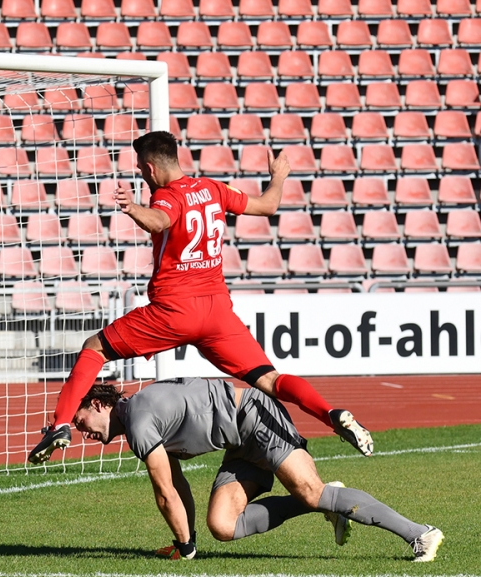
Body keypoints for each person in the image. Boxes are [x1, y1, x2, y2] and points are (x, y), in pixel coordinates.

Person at [29, 131, 374, 465]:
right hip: (217, 313)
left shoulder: (166, 196)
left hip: (174, 311)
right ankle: (330, 413)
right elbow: (268, 206)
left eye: (141, 170)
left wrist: (132, 208)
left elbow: (159, 220)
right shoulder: (214, 189)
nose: (142, 176)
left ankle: (60, 424)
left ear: (149, 168)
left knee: (95, 348)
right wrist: (279, 176)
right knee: (269, 379)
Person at [70, 380, 445, 562]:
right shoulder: (138, 419)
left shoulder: (138, 422)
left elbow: (165, 493)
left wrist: (185, 548)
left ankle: (420, 534)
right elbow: (177, 483)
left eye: (80, 419)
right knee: (223, 525)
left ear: (98, 404)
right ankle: (326, 501)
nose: (82, 432)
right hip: (239, 442)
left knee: (312, 491)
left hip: (254, 416)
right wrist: (188, 540)